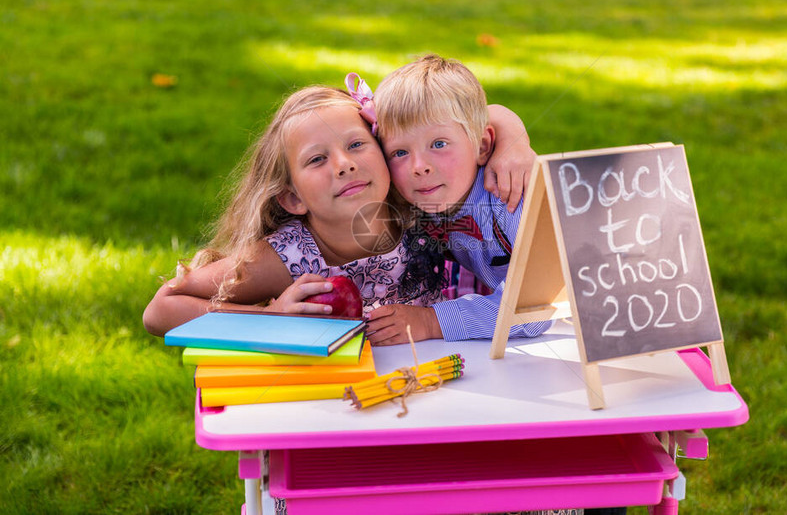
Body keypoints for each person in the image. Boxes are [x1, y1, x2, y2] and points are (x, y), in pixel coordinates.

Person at [142, 83, 536, 337]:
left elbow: (470, 116)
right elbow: (161, 309)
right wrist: (273, 319)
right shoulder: (289, 257)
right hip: (337, 404)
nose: (344, 164)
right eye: (317, 160)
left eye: (356, 145)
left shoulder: (419, 200)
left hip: (446, 374)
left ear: (385, 152)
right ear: (292, 198)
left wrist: (514, 139)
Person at [362, 54, 552, 346]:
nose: (418, 166)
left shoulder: (510, 196)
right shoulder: (415, 197)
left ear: (483, 146)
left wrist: (430, 321)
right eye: (400, 152)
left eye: (438, 144)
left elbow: (534, 309)